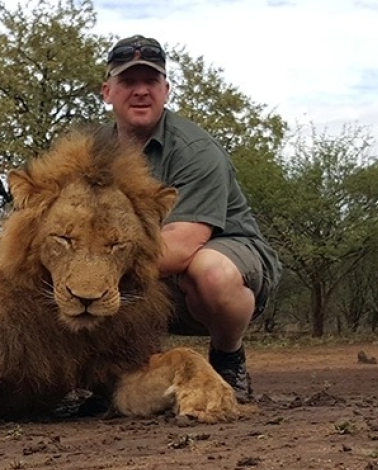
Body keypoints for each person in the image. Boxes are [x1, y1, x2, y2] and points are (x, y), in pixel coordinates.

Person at [100, 35, 282, 403]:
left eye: (150, 81)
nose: (140, 91)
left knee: (210, 272)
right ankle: (107, 378)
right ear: (107, 92)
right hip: (138, 266)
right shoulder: (92, 148)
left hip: (215, 254)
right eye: (128, 82)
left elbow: (180, 248)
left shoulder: (197, 151)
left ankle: (229, 356)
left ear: (165, 90)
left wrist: (91, 269)